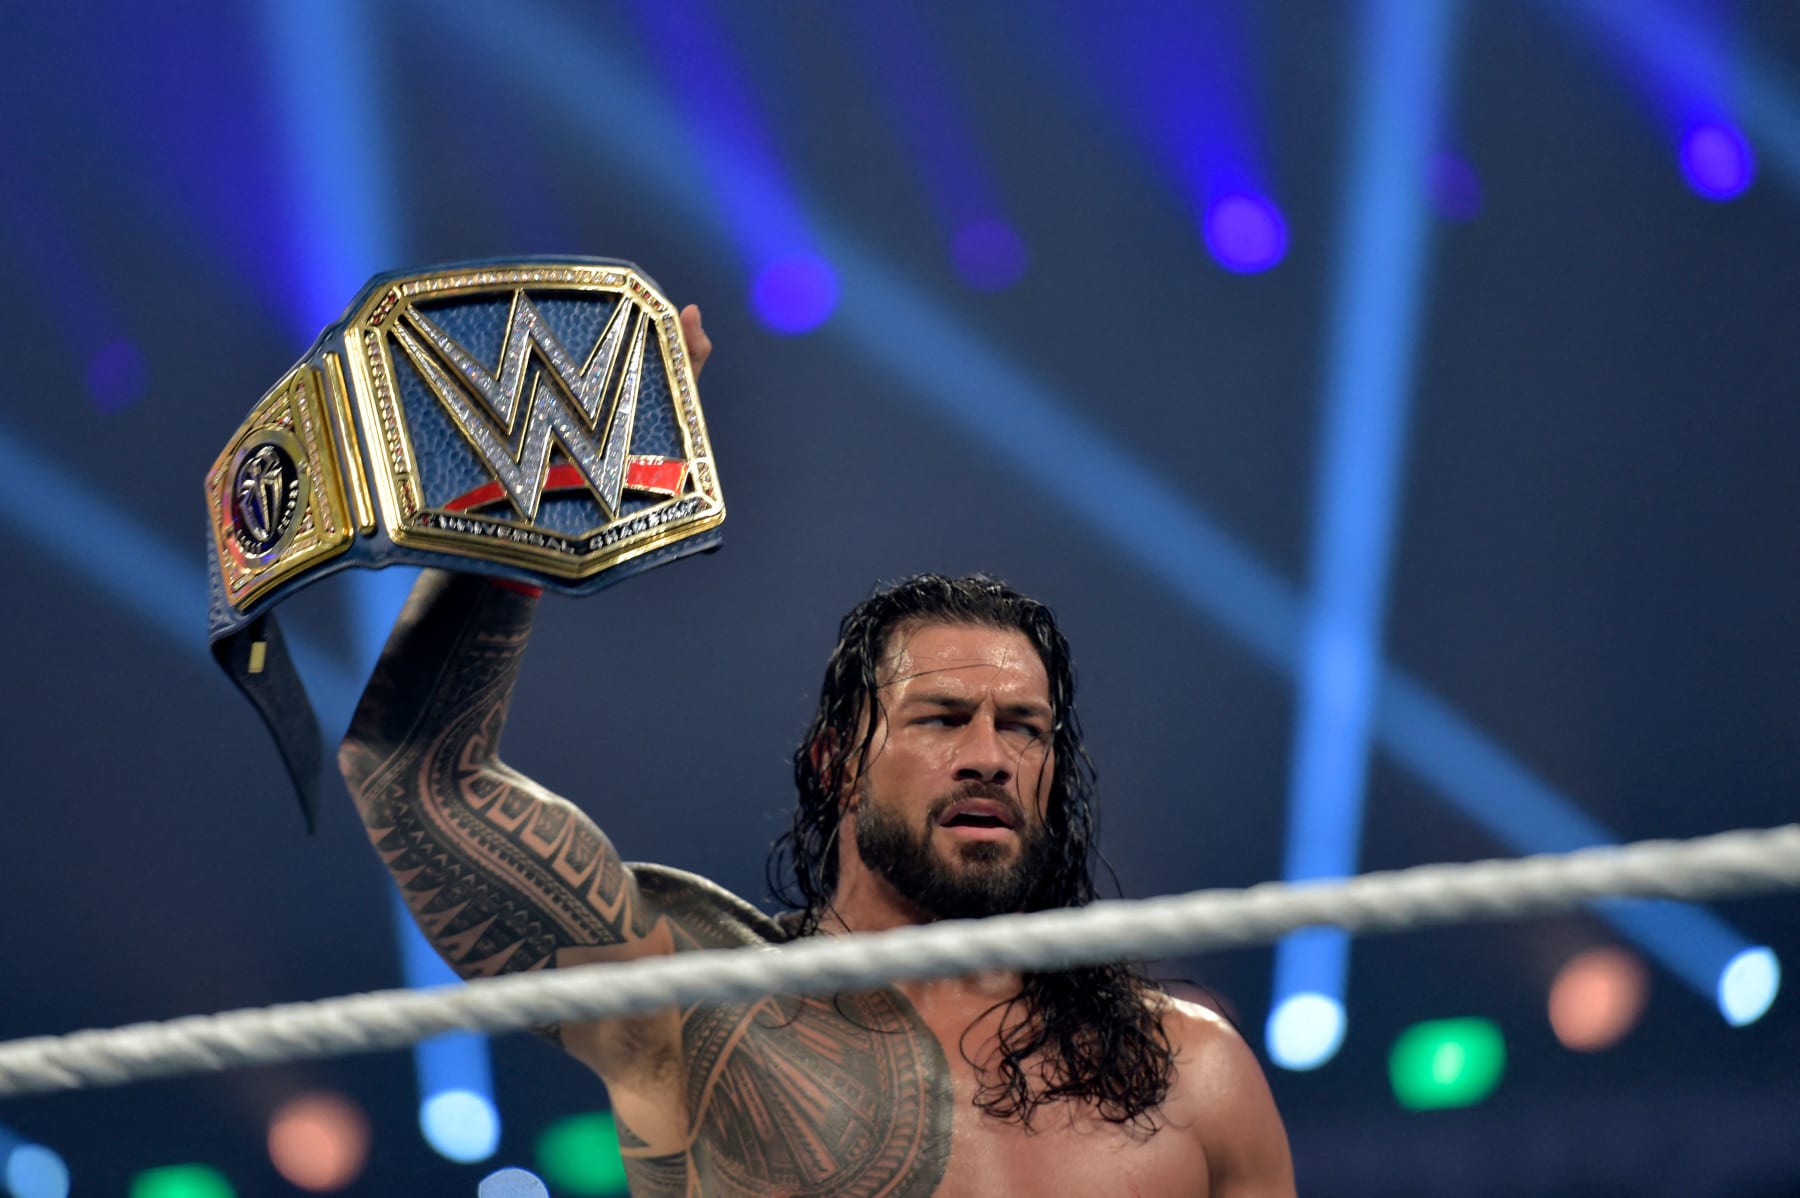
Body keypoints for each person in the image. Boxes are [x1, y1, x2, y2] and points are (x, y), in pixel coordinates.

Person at [338, 306, 1295, 1196]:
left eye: (1024, 729)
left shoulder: (1189, 1072)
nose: (989, 756)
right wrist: (539, 473)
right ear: (839, 760)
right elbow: (413, 781)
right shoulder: (703, 1015)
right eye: (941, 717)